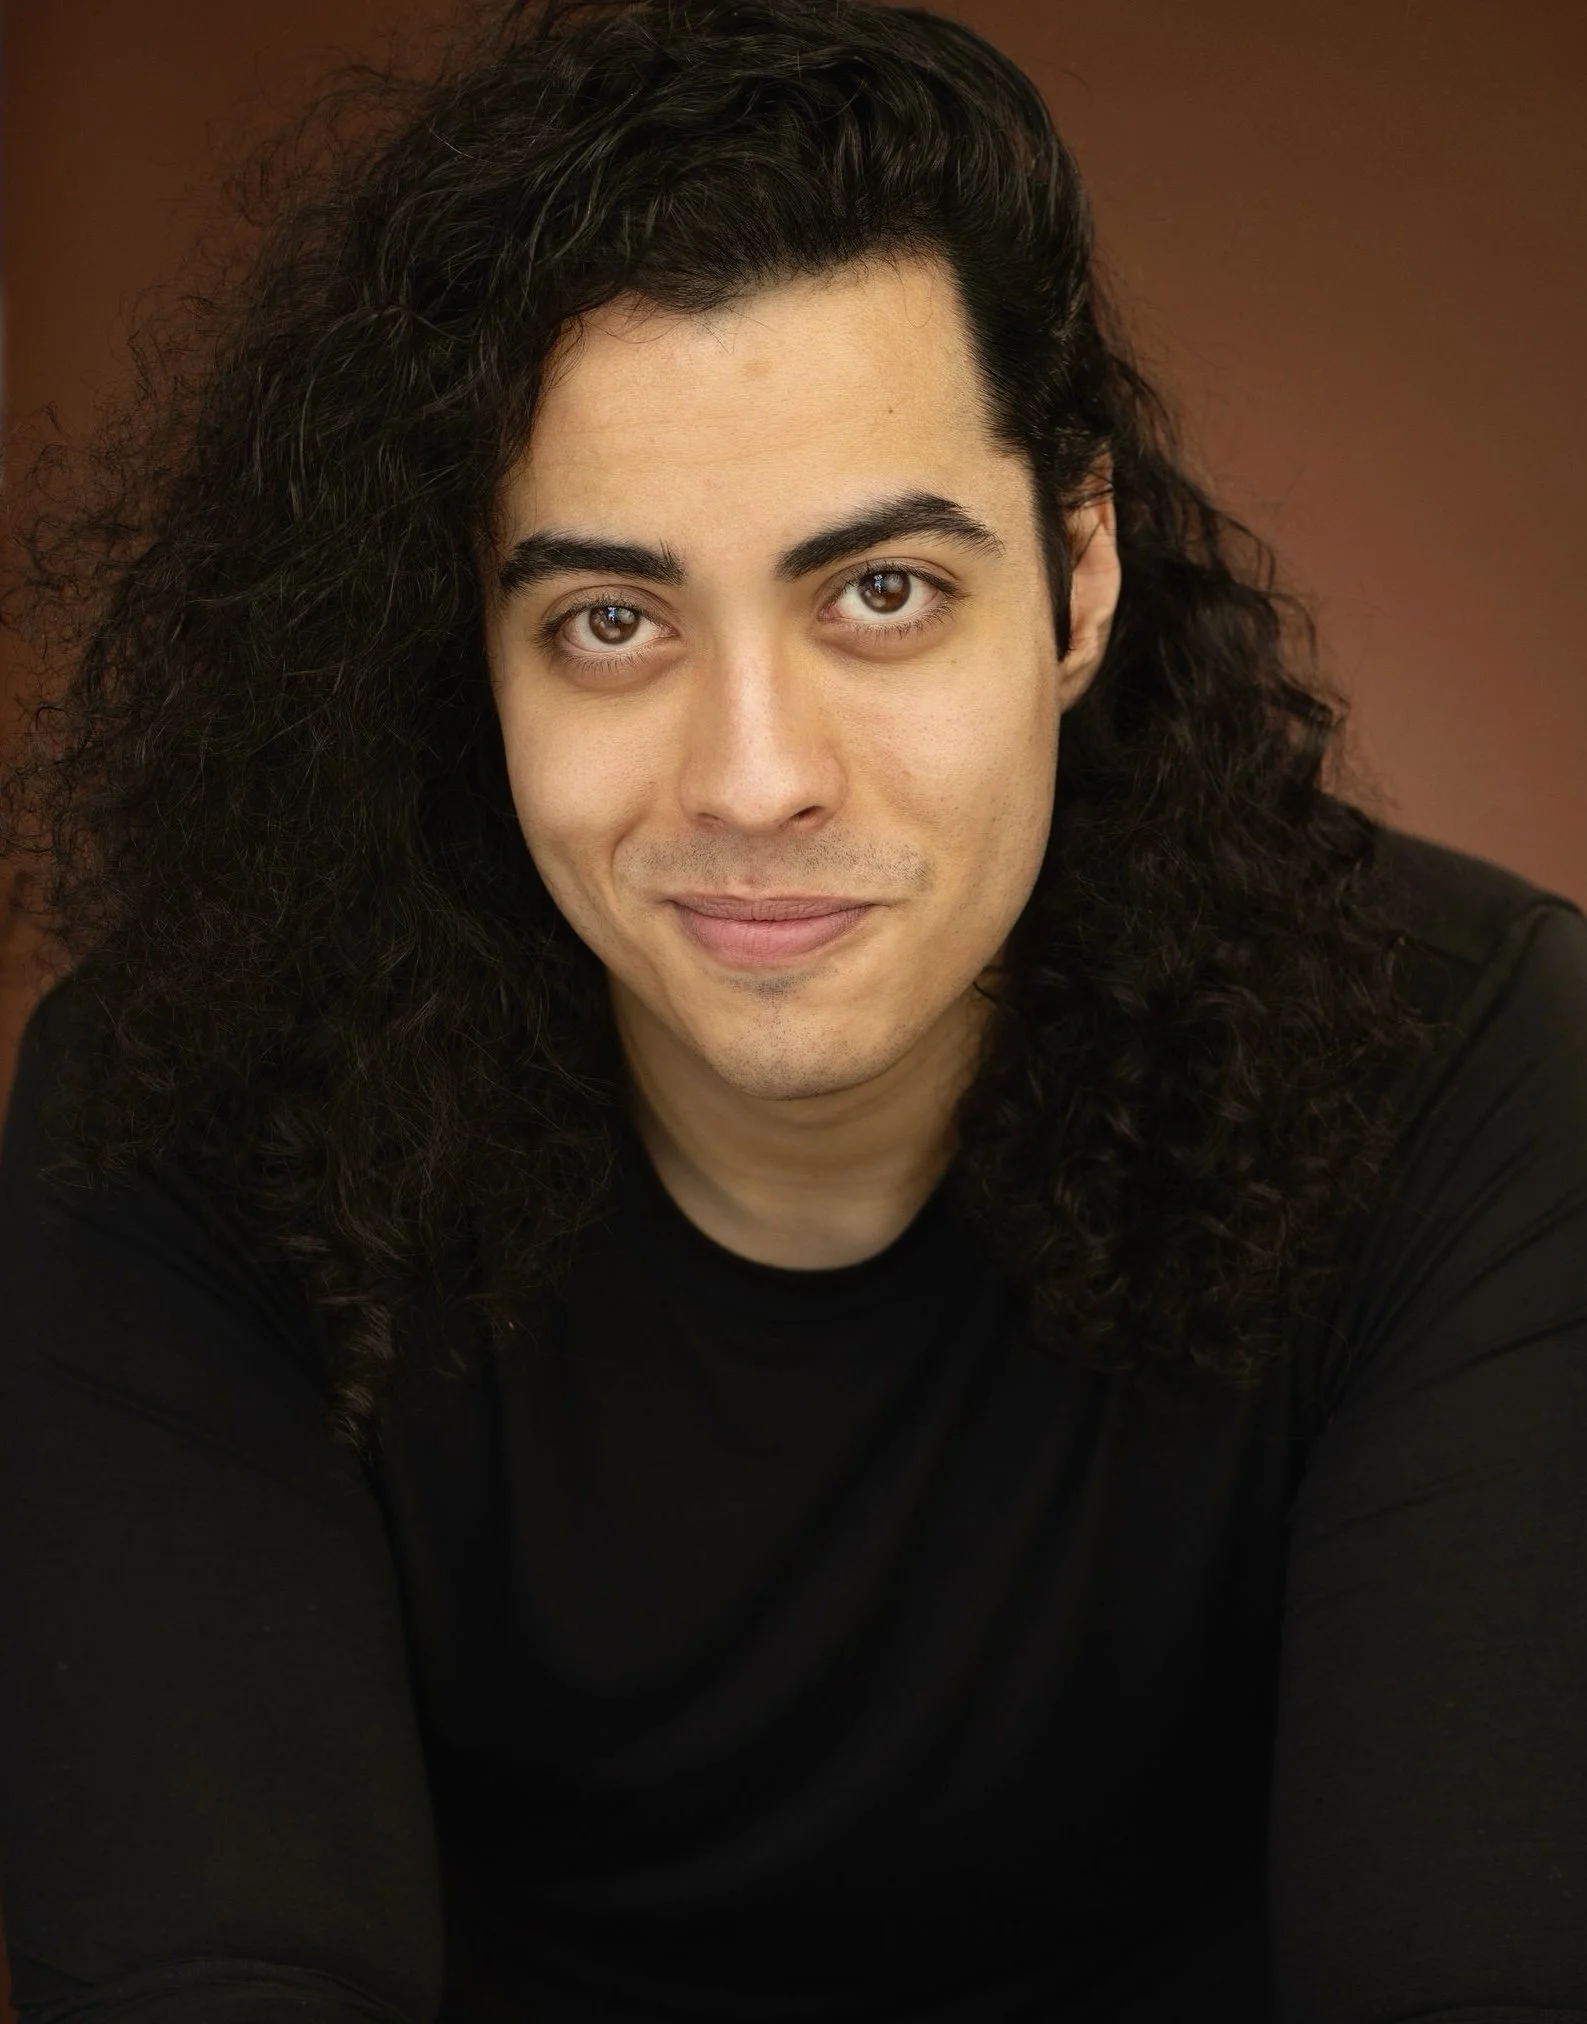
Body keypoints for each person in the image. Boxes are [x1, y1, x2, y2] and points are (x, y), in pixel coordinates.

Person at [1, 0, 1583, 2017]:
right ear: (468, 650)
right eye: (610, 620)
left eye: (883, 593)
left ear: (1077, 573)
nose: (754, 775)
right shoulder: (191, 1119)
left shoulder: (1456, 1073)